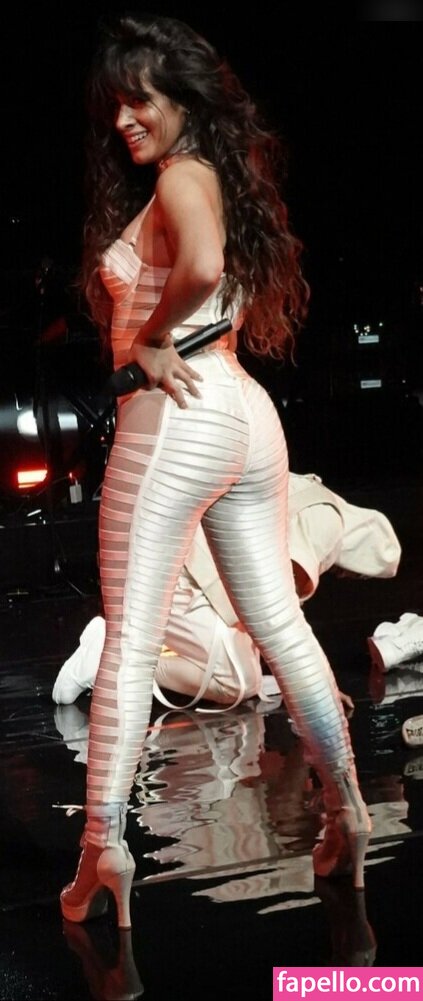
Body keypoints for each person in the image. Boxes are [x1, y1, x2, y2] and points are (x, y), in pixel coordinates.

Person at [60, 13, 371, 930]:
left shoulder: (181, 175)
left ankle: (102, 851)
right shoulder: (212, 174)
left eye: (140, 100)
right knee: (279, 624)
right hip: (241, 410)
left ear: (184, 98)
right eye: (115, 105)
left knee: (129, 640)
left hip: (177, 415)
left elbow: (200, 265)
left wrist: (150, 336)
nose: (124, 119)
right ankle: (346, 811)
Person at [52, 470, 401, 709]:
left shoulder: (314, 495)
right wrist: (318, 691)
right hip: (170, 569)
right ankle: (113, 658)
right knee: (237, 682)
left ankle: (137, 646)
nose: (348, 577)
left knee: (249, 673)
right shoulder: (328, 526)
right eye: (361, 575)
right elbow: (280, 615)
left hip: (171, 556)